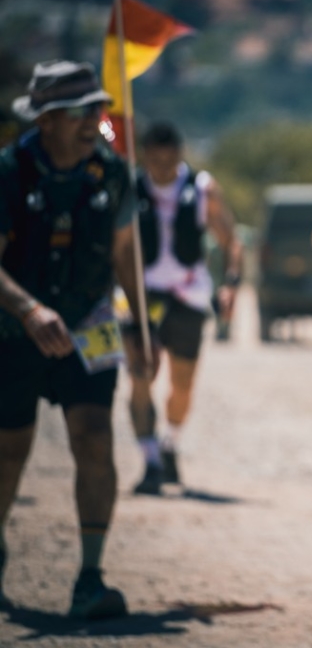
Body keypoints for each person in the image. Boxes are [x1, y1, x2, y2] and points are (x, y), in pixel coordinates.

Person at [0, 60, 150, 619]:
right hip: (14, 331)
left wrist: (142, 327)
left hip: (90, 326)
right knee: (10, 450)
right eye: (80, 111)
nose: (94, 120)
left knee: (94, 438)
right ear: (46, 120)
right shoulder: (10, 172)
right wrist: (29, 309)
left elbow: (124, 253)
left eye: (98, 108)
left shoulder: (112, 173)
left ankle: (90, 577)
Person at [124, 121, 243, 495]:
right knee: (140, 376)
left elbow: (231, 240)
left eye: (169, 160)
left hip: (188, 296)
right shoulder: (129, 189)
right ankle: (150, 461)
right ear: (144, 156)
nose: (162, 168)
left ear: (180, 154)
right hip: (141, 297)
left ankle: (170, 443)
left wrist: (230, 285)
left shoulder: (203, 189)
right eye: (155, 161)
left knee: (182, 382)